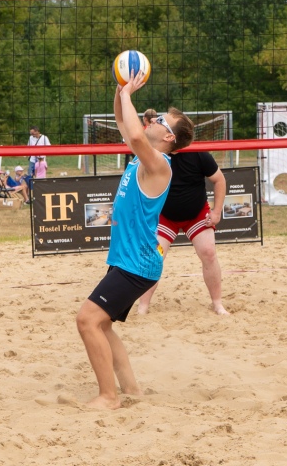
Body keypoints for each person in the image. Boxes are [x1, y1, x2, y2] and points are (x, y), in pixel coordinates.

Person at [75, 74, 193, 410]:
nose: (152, 120)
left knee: (86, 320)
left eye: (160, 121)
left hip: (136, 265)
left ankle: (108, 396)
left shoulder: (160, 165)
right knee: (103, 325)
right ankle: (131, 389)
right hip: (130, 260)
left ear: (169, 137)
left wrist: (128, 92)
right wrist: (119, 90)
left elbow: (138, 136)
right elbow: (123, 124)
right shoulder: (145, 156)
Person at [137, 109, 228, 316]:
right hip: (164, 215)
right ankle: (143, 306)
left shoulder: (198, 154)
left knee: (208, 253)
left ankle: (217, 304)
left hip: (195, 214)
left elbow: (219, 180)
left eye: (162, 121)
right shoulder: (153, 152)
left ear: (172, 137)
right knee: (154, 257)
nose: (157, 121)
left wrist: (216, 212)